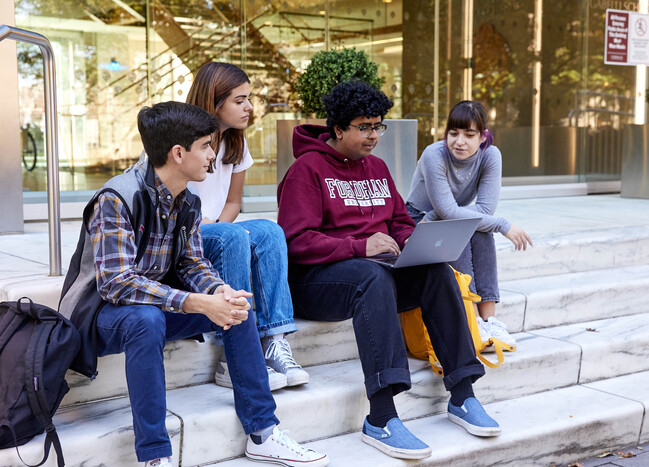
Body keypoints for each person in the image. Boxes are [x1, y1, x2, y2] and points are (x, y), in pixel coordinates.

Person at [59, 101, 328, 467]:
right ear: (177, 152)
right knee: (145, 320)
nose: (212, 156)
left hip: (154, 305)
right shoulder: (116, 198)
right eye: (206, 146)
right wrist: (196, 303)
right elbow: (116, 285)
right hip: (100, 317)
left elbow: (191, 262)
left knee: (236, 308)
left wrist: (218, 292)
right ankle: (155, 456)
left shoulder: (187, 199)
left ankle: (263, 433)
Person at [277, 81, 501, 460]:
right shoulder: (307, 170)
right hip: (317, 281)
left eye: (378, 126)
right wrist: (358, 246)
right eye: (364, 127)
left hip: (372, 273)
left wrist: (419, 242)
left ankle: (463, 394)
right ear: (338, 129)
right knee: (373, 276)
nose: (374, 136)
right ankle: (381, 416)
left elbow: (398, 221)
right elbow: (295, 242)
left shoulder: (377, 168)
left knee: (437, 272)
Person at [185, 61, 308, 391]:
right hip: (183, 235)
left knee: (269, 230)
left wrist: (221, 227)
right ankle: (235, 356)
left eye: (249, 98)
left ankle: (274, 341)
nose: (250, 107)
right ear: (214, 101)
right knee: (233, 234)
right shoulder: (182, 139)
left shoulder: (235, 142)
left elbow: (233, 204)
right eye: (239, 100)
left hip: (217, 230)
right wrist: (207, 227)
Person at [405, 100, 532, 349]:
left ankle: (489, 320)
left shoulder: (490, 155)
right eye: (453, 133)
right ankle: (471, 318)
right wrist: (503, 225)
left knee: (479, 231)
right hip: (418, 219)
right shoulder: (434, 155)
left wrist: (482, 221)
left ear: (482, 137)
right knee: (461, 230)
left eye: (469, 134)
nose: (459, 141)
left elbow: (484, 210)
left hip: (448, 218)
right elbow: (446, 211)